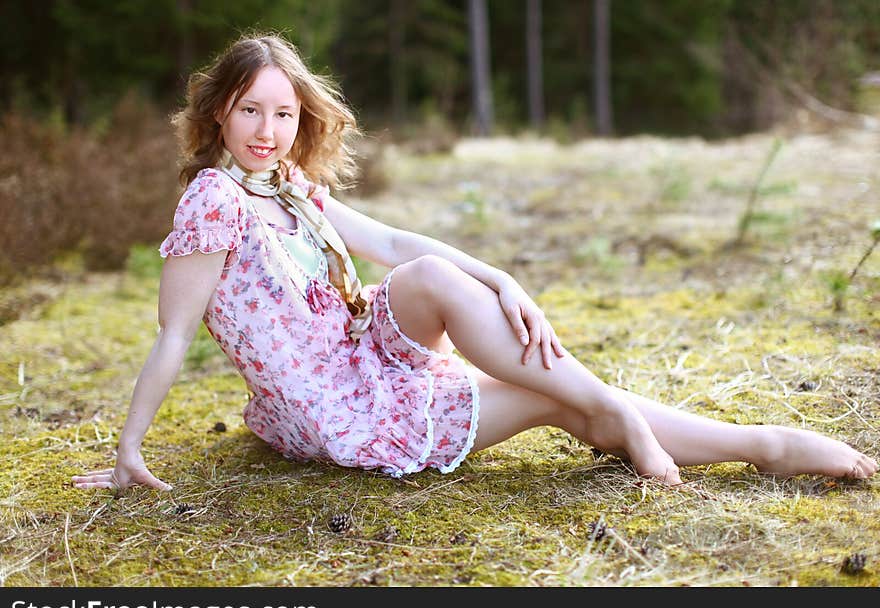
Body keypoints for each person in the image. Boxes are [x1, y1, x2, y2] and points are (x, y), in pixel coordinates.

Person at [72, 34, 877, 493]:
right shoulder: (214, 202)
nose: (269, 130)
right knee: (551, 399)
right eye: (252, 109)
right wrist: (127, 453)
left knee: (427, 281)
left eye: (285, 113)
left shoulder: (289, 189)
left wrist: (502, 278)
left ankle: (713, 432)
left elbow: (394, 246)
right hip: (334, 405)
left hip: (360, 359)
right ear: (220, 109)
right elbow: (174, 334)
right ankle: (757, 443)